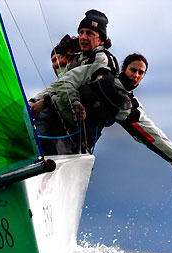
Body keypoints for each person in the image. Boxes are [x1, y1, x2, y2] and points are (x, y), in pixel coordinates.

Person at [30, 9, 119, 153]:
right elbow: (56, 85)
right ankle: (38, 156)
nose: (83, 37)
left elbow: (73, 86)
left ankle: (38, 156)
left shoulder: (102, 60)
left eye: (89, 33)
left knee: (46, 113)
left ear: (101, 39)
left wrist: (46, 102)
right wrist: (32, 102)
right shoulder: (79, 58)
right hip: (68, 120)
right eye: (81, 32)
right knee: (37, 114)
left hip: (83, 125)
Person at [102, 53, 172, 179]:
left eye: (141, 73)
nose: (136, 75)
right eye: (133, 70)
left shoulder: (129, 106)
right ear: (123, 68)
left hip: (77, 142)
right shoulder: (103, 73)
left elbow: (152, 133)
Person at [32, 35, 80, 155]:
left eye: (59, 58)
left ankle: (38, 152)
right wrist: (30, 105)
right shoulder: (59, 83)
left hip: (76, 129)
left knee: (45, 112)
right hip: (65, 137)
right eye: (53, 61)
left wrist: (46, 102)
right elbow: (51, 90)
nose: (57, 64)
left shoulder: (79, 74)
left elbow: (64, 93)